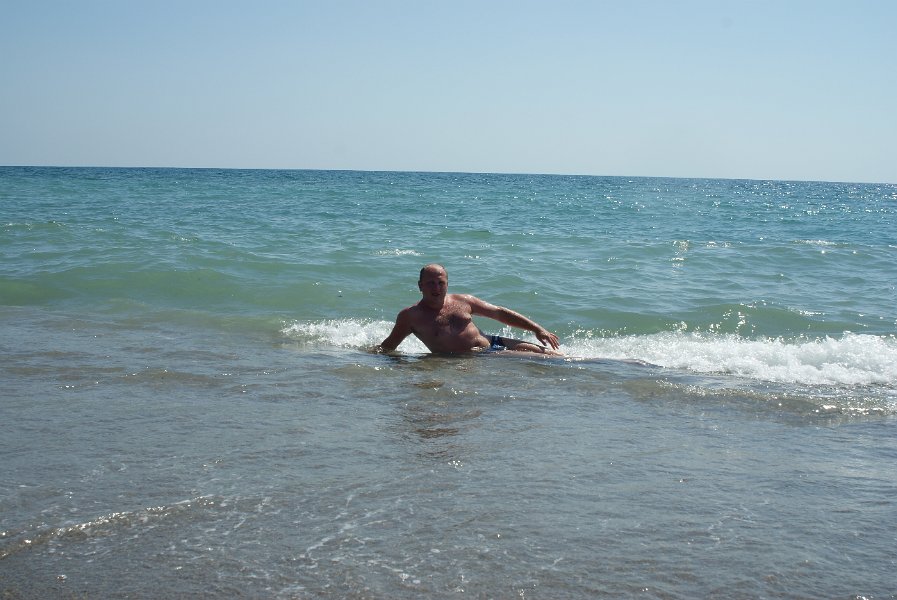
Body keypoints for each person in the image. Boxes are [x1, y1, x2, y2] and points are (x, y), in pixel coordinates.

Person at [375, 264, 562, 355]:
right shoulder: (410, 316)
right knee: (546, 363)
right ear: (420, 286)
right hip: (474, 360)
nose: (436, 288)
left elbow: (499, 313)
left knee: (554, 357)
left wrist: (537, 328)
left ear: (447, 284)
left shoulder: (463, 301)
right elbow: (389, 347)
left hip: (494, 344)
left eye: (441, 283)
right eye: (430, 283)